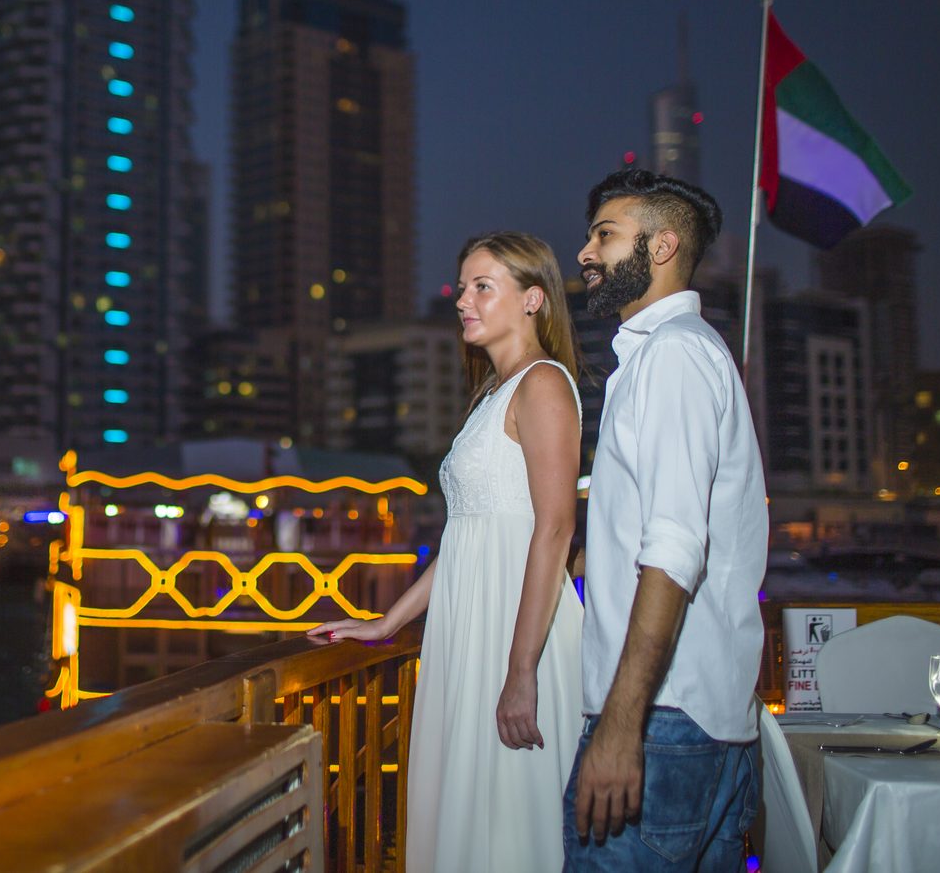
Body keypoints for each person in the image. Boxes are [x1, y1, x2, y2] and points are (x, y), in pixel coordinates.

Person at [310, 231, 586, 871]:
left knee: (514, 819)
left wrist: (521, 672)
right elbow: (466, 537)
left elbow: (554, 529)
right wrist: (389, 622)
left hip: (519, 634)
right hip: (471, 629)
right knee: (471, 807)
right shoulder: (492, 393)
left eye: (481, 287)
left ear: (532, 300)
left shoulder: (543, 384)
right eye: (463, 287)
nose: (463, 299)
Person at [563, 168, 767, 871]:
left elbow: (675, 548)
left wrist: (621, 724)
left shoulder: (673, 356)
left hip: (663, 723)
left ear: (662, 246)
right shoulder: (669, 355)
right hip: (700, 723)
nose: (585, 254)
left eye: (605, 235)